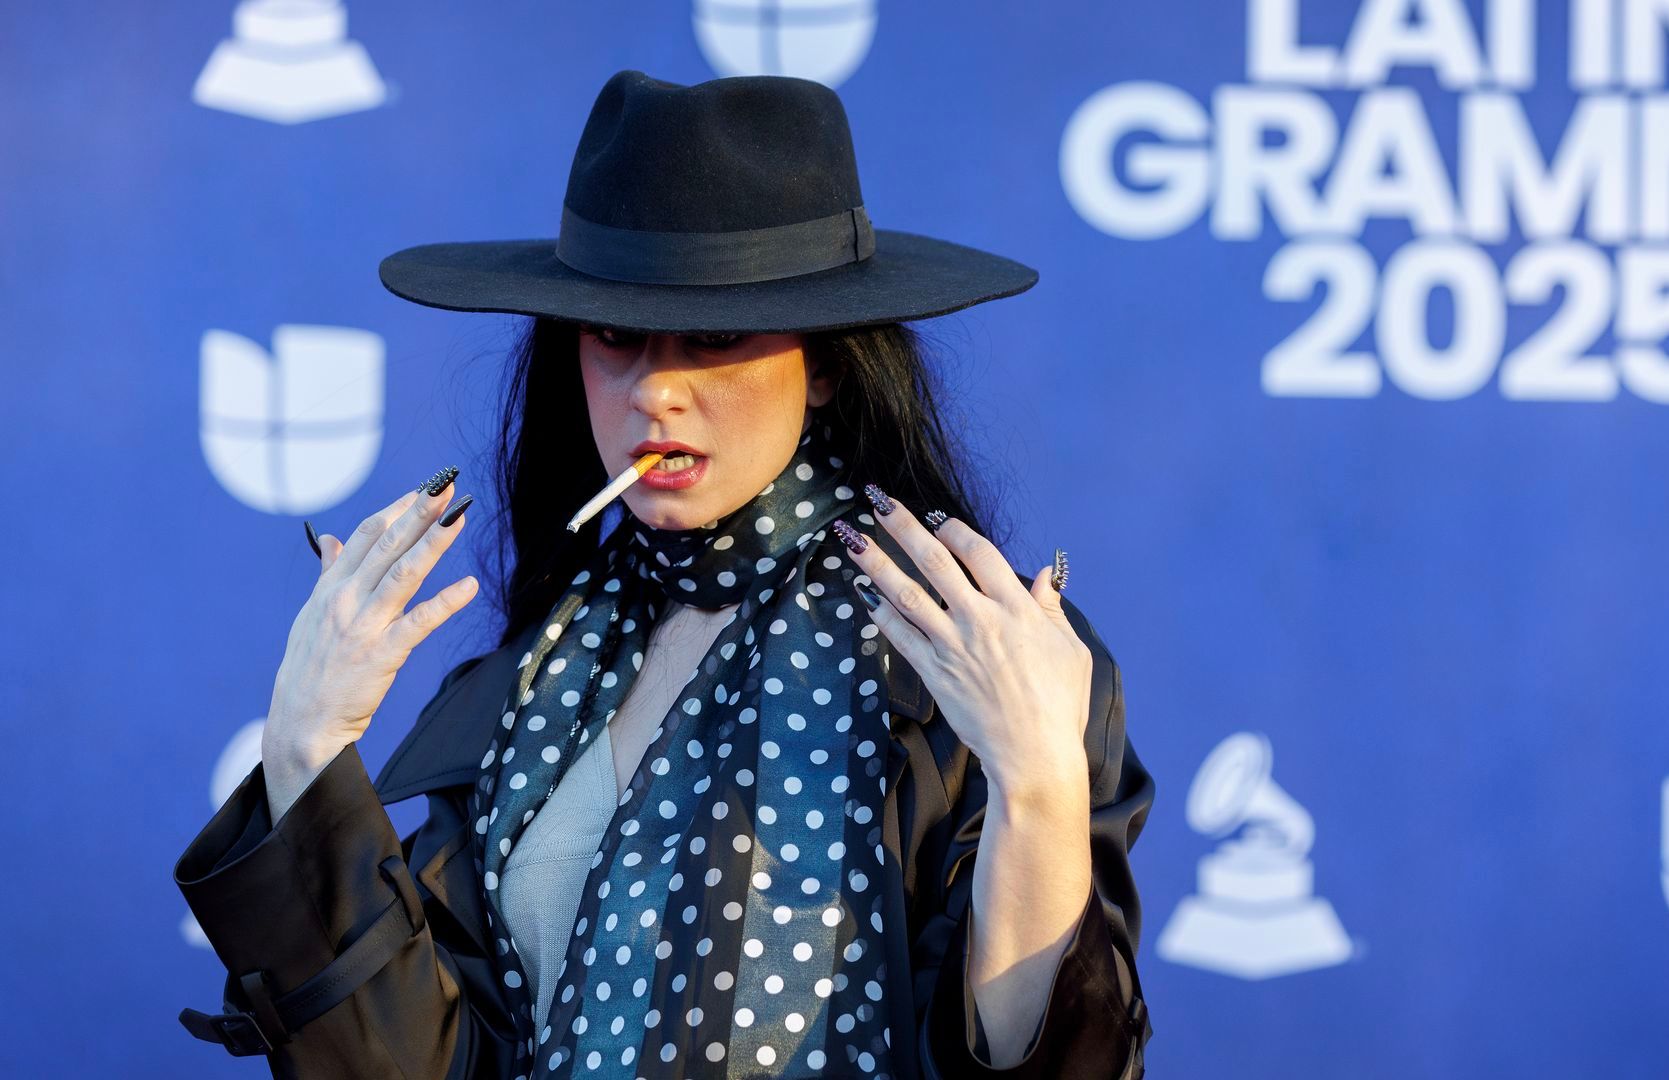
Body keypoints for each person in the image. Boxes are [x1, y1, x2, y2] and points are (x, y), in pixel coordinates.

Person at [174, 69, 1154, 1079]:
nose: (657, 389)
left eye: (717, 338)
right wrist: (305, 755)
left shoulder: (969, 655)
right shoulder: (522, 691)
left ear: (823, 366)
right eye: (617, 336)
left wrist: (1039, 783)